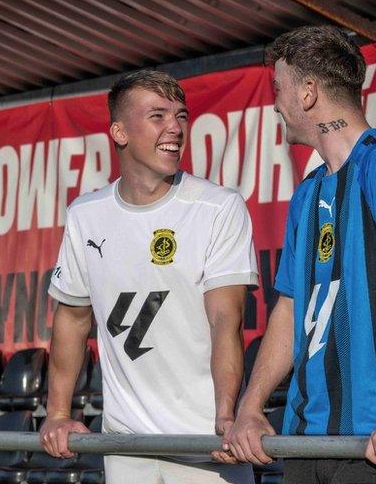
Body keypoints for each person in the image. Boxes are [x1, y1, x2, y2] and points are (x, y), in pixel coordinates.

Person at [223, 25, 376, 484]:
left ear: (307, 93)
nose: (275, 104)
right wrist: (249, 407)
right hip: (306, 440)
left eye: (278, 89)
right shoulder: (307, 191)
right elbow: (288, 308)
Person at [42, 69, 258, 484]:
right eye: (157, 116)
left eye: (181, 116)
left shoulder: (218, 207)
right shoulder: (85, 215)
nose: (175, 128)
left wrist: (227, 417)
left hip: (206, 444)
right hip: (126, 444)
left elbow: (225, 321)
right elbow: (71, 319)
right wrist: (57, 415)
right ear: (119, 132)